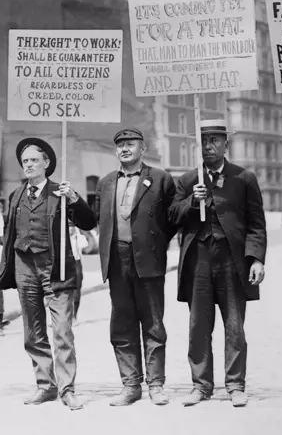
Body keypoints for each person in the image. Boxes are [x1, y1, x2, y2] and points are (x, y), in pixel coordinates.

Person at [168, 119, 266, 408]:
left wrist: (256, 258)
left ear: (226, 144)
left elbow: (256, 224)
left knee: (235, 325)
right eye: (204, 141)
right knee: (198, 326)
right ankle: (201, 385)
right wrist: (190, 202)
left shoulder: (243, 178)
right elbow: (172, 218)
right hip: (198, 259)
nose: (209, 146)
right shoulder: (187, 180)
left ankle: (235, 385)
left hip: (231, 260)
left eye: (215, 140)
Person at [0, 137, 97, 411]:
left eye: (33, 160)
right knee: (33, 331)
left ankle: (67, 388)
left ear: (46, 163)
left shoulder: (60, 193)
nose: (28, 165)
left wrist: (75, 199)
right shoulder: (16, 195)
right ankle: (45, 385)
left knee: (62, 331)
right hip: (24, 268)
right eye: (25, 161)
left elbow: (89, 222)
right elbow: (10, 234)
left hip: (56, 269)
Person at [95, 128, 176, 407]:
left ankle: (156, 385)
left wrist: (156, 244)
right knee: (122, 323)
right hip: (116, 260)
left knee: (153, 322)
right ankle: (130, 385)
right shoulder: (106, 183)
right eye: (120, 146)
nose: (124, 149)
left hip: (148, 260)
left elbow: (173, 217)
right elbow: (98, 220)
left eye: (130, 144)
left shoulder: (160, 179)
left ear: (143, 149)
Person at [69, 221, 89, 323]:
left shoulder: (78, 238)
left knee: (77, 290)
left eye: (72, 226)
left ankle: (74, 316)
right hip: (65, 263)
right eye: (68, 227)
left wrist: (77, 235)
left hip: (76, 262)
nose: (70, 229)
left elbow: (85, 245)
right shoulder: (62, 238)